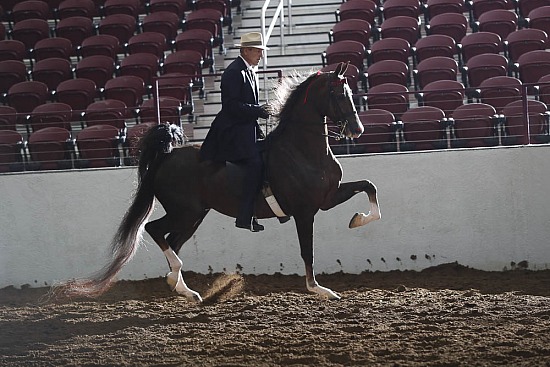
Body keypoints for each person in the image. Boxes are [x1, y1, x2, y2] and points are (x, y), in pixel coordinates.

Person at [200, 32, 271, 232]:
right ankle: (245, 215)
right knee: (255, 163)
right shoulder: (234, 72)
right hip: (232, 131)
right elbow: (231, 106)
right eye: (257, 51)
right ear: (245, 51)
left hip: (247, 127)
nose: (260, 55)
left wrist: (261, 111)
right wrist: (258, 110)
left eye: (261, 51)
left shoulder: (249, 71)